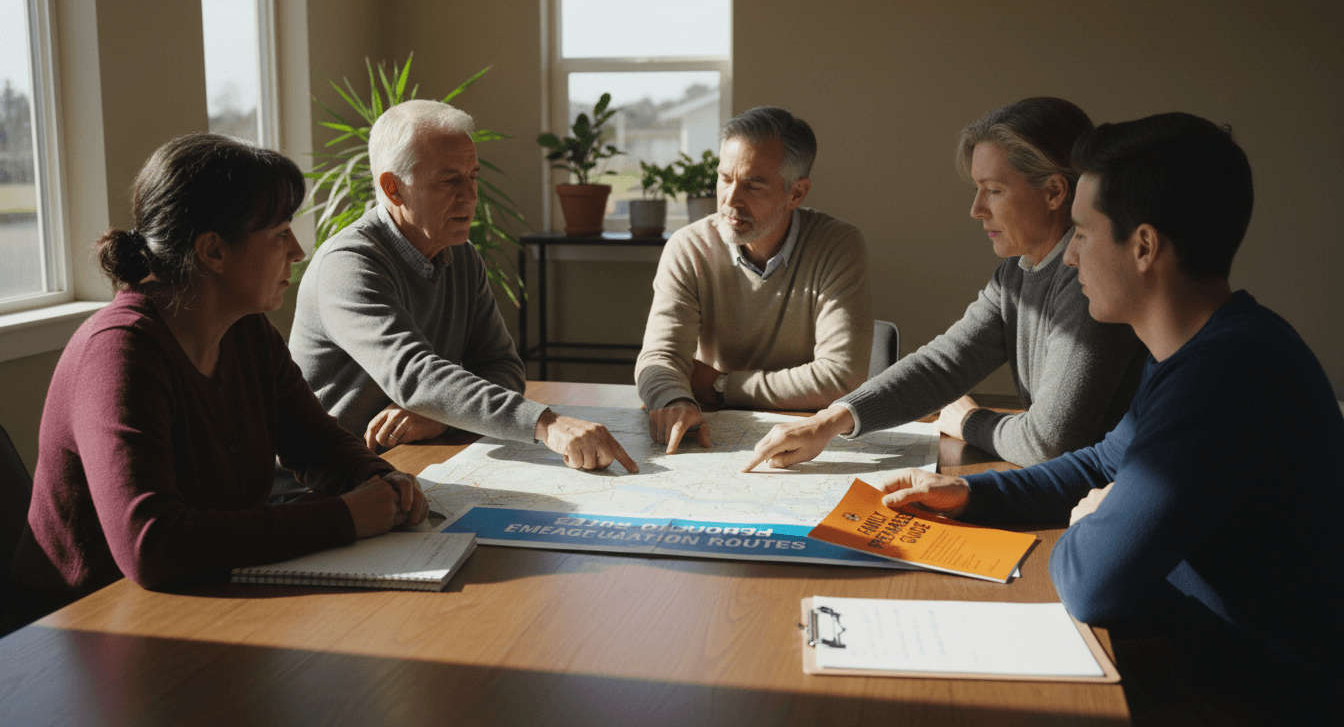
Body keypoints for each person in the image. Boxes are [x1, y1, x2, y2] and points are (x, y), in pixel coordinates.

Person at [865, 113, 1342, 716]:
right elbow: (1101, 460)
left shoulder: (1226, 373)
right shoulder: (1202, 351)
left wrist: (1095, 517)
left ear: (1143, 247)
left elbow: (1095, 584)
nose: (1069, 260)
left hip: (1245, 703)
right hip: (1194, 671)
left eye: (1084, 236)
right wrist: (966, 494)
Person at [2, 134, 426, 634]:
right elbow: (153, 543)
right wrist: (345, 517)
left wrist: (378, 480)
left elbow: (315, 441)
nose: (298, 250)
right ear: (213, 252)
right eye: (279, 233)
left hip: (201, 605)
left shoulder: (245, 330)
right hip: (80, 637)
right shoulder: (119, 353)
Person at [742, 98, 1145, 471]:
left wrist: (967, 420)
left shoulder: (1089, 282)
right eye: (977, 189)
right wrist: (830, 422)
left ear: (1055, 191)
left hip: (1105, 493)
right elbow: (942, 365)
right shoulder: (1015, 276)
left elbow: (1047, 442)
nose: (976, 209)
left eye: (994, 190)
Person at [290, 100, 636, 474]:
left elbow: (502, 366)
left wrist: (440, 416)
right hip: (321, 481)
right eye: (449, 180)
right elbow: (414, 375)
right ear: (393, 189)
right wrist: (547, 424)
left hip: (399, 468)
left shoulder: (461, 255)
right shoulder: (348, 264)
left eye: (473, 176)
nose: (471, 197)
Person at [636, 106, 873, 453]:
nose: (731, 200)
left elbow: (841, 379)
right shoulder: (688, 248)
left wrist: (719, 386)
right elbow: (659, 358)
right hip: (713, 432)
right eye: (725, 178)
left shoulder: (837, 245)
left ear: (796, 193)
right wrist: (675, 399)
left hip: (808, 437)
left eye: (753, 184)